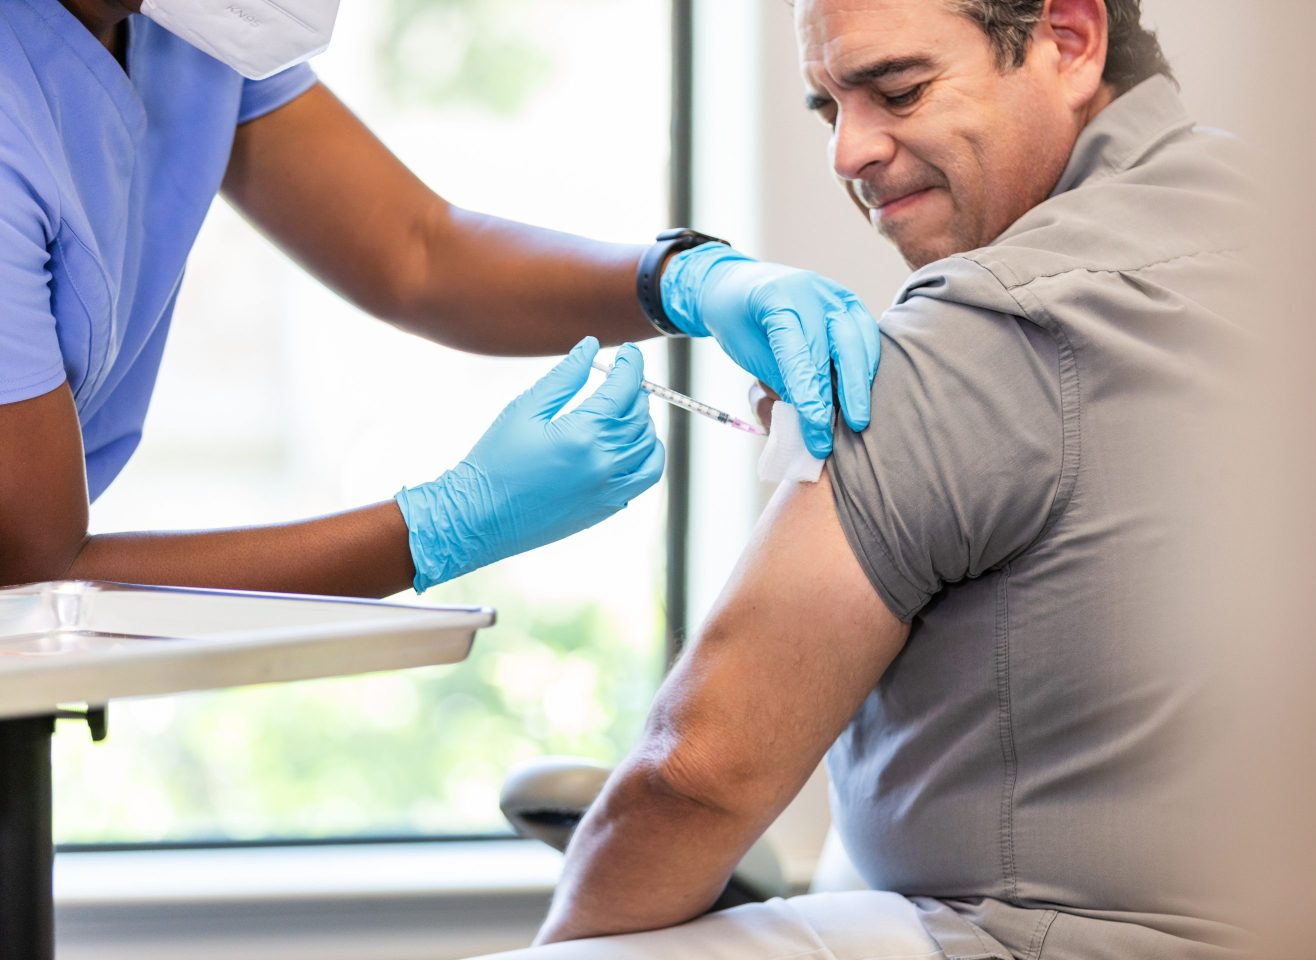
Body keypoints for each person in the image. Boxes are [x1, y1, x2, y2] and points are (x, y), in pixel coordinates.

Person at [479, 0, 1252, 957]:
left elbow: (697, 774)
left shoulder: (981, 330)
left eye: (898, 90)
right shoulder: (1308, 232)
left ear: (1068, 37)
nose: (849, 153)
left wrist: (567, 948)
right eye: (826, 108)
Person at [0, 0, 880, 596]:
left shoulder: (180, 30)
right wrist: (442, 524)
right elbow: (38, 574)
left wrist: (685, 280)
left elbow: (414, 250)